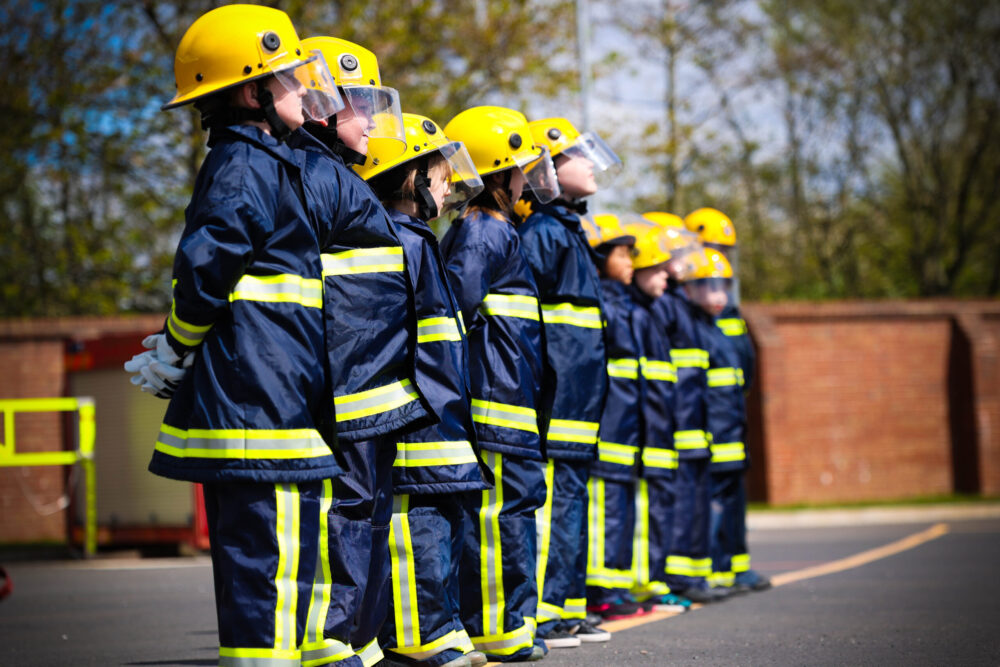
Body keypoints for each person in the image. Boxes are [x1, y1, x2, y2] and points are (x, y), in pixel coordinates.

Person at [124, 6, 343, 665]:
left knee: (294, 542)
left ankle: (300, 651)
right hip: (254, 403)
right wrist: (176, 346)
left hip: (281, 395)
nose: (305, 88)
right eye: (289, 78)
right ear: (252, 93)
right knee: (263, 549)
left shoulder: (273, 164)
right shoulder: (243, 168)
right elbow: (202, 272)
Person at [288, 36, 425, 667]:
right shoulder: (309, 178)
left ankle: (354, 636)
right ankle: (331, 638)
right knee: (342, 515)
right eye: (358, 103)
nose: (371, 120)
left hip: (368, 386)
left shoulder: (339, 180)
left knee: (364, 514)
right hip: (338, 389)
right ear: (320, 103)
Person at [359, 112, 491, 667]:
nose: (446, 185)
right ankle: (420, 637)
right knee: (424, 528)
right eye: (438, 174)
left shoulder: (418, 240)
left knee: (445, 522)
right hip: (421, 419)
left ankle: (442, 627)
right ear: (409, 178)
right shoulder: (401, 241)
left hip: (442, 413)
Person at [440, 105, 559, 662]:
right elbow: (454, 314)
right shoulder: (482, 232)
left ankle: (507, 626)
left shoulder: (497, 231)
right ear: (498, 171)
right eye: (521, 168)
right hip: (495, 406)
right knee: (500, 518)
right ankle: (500, 631)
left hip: (509, 403)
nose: (529, 179)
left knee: (510, 514)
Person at [516, 118, 620, 647]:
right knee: (556, 499)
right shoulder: (543, 233)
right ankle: (547, 610)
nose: (589, 163)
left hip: (577, 401)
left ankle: (568, 604)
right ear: (550, 169)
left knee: (572, 498)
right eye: (578, 155)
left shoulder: (567, 229)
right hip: (557, 399)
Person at [636, 212, 730, 604]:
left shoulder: (680, 304)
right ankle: (675, 576)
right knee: (674, 505)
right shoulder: (664, 306)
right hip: (675, 426)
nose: (685, 261)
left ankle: (691, 574)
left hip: (692, 426)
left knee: (691, 503)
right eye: (676, 252)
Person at [683, 208, 770, 593]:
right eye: (711, 247)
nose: (717, 259)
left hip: (732, 420)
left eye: (724, 251)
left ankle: (736, 566)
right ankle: (717, 568)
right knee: (713, 498)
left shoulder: (728, 312)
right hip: (711, 425)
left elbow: (744, 365)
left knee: (733, 497)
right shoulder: (691, 313)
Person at [612, 218, 693, 614]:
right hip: (641, 436)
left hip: (656, 434)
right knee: (640, 514)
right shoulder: (638, 315)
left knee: (654, 512)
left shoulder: (651, 313)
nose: (668, 275)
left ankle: (649, 583)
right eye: (659, 267)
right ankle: (643, 586)